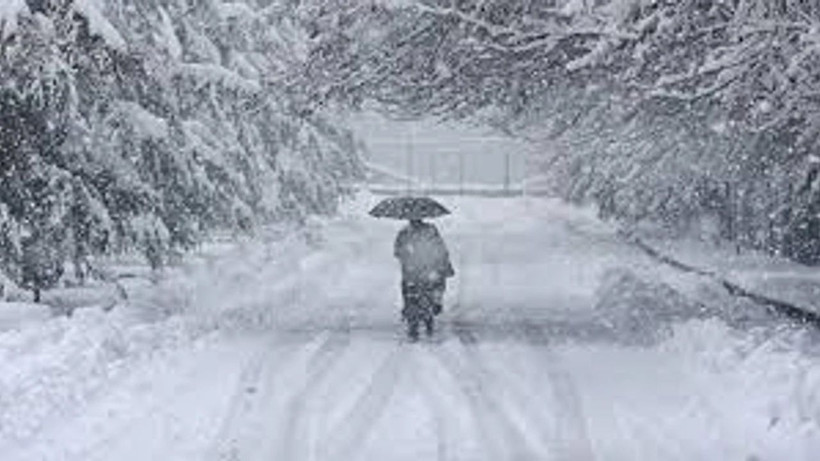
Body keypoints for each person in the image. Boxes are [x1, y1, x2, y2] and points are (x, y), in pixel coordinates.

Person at [394, 218, 454, 339]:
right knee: (428, 295)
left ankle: (413, 325)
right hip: (427, 270)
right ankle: (428, 320)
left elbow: (397, 252)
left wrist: (406, 255)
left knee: (410, 297)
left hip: (411, 272)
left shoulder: (404, 232)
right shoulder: (431, 230)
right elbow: (440, 249)